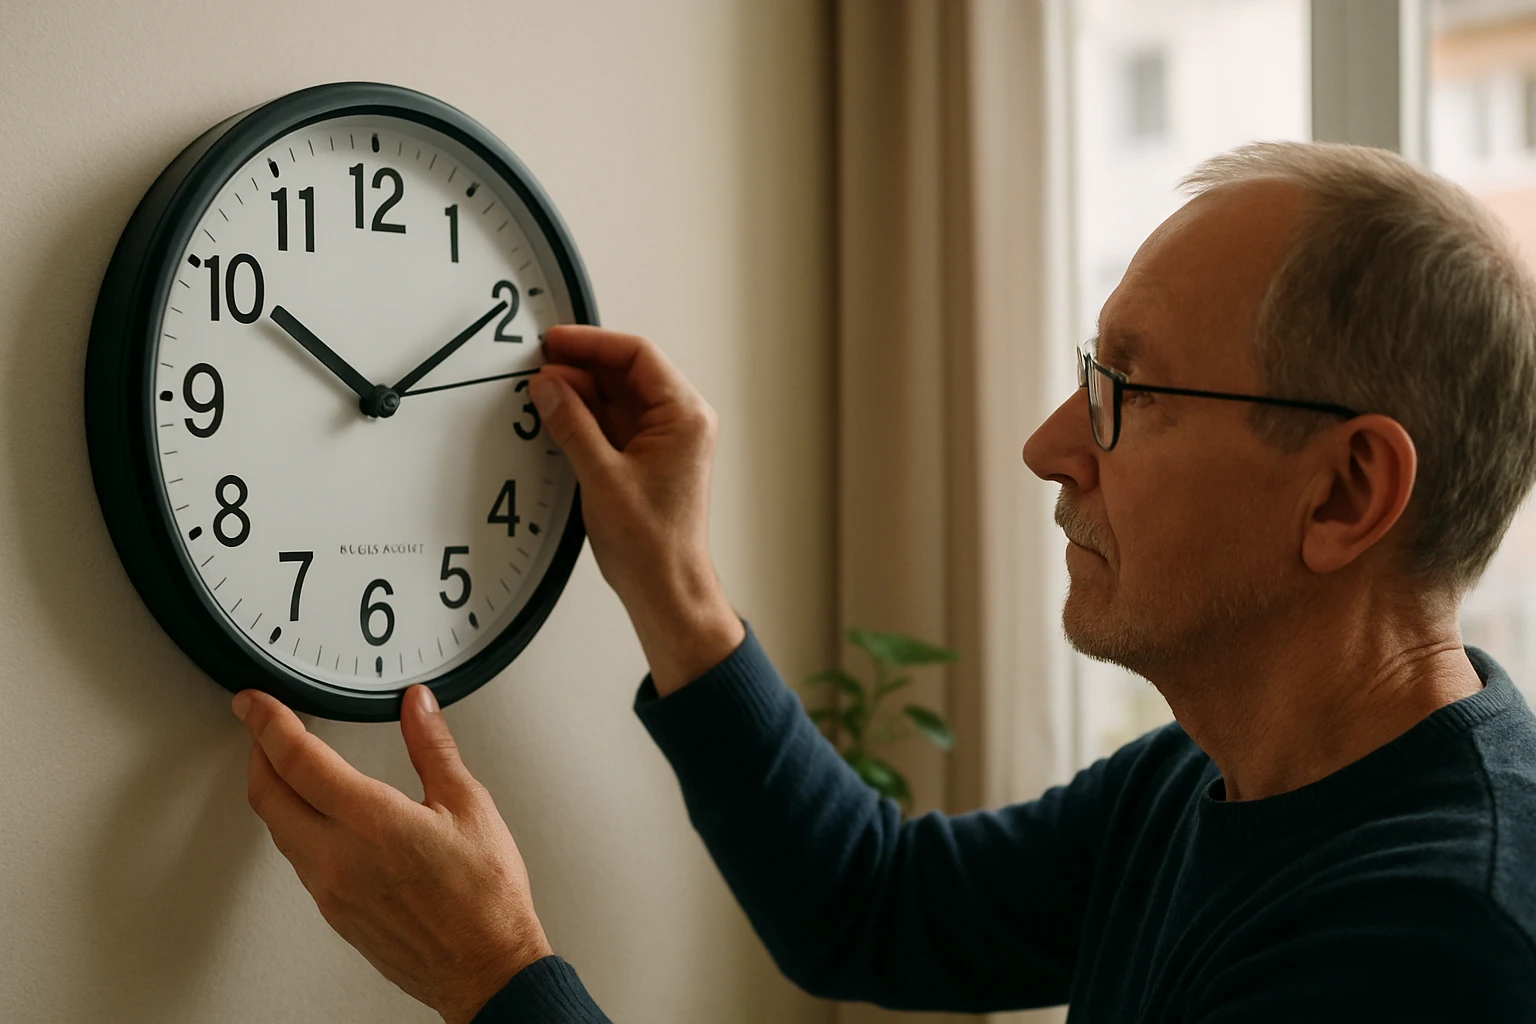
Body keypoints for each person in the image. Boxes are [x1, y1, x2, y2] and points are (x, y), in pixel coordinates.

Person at [232, 141, 1536, 1023]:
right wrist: (672, 581)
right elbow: (876, 908)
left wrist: (495, 974)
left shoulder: (1433, 949)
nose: (1049, 447)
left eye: (1124, 394)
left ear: (1347, 493)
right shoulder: (1219, 774)